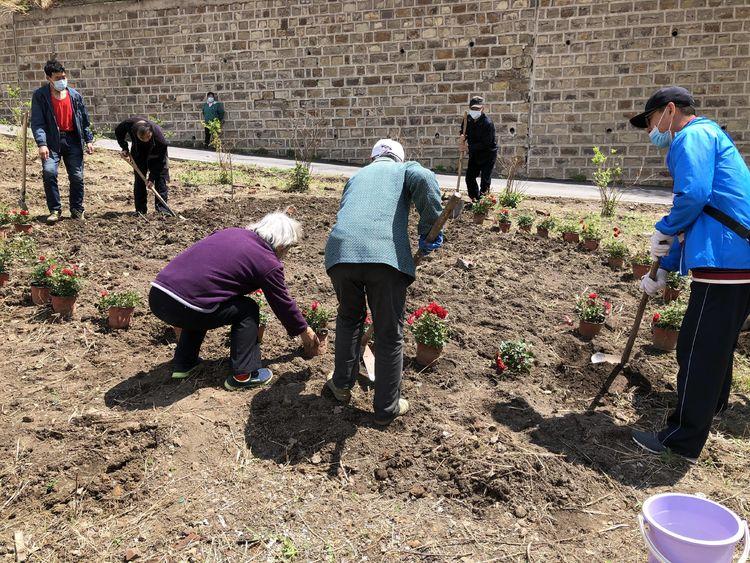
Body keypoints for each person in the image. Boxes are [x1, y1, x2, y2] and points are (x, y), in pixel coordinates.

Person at [628, 86, 750, 462]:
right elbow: (702, 210)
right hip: (736, 257)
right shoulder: (712, 135)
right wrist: (664, 265)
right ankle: (711, 408)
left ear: (669, 110)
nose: (652, 131)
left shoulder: (691, 136)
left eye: (650, 121)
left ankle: (682, 440)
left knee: (696, 348)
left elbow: (693, 198)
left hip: (726, 259)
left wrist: (664, 227)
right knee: (716, 344)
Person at [323, 139, 443, 425]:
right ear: (399, 158)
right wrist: (428, 230)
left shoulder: (356, 176)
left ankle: (341, 385)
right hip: (384, 256)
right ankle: (386, 407)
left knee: (349, 319)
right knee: (389, 333)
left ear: (372, 157)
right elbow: (426, 178)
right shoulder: (404, 170)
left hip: (340, 254)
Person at [148, 212, 320, 390]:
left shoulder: (230, 232)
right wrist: (303, 330)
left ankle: (184, 364)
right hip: (185, 305)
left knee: (205, 300)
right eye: (288, 248)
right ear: (282, 244)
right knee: (247, 308)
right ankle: (244, 374)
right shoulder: (267, 261)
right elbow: (282, 302)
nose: (286, 253)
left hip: (158, 295)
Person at [30, 59, 95, 224]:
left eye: (63, 77)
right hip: (52, 142)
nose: (62, 80)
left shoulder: (74, 96)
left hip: (72, 140)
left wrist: (88, 139)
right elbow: (37, 122)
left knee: (77, 176)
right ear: (49, 78)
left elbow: (84, 120)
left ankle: (76, 209)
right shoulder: (40, 96)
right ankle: (55, 209)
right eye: (58, 77)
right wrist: (42, 144)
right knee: (49, 172)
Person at [115, 117, 170, 215]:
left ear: (151, 132)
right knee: (140, 178)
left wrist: (152, 178)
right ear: (135, 133)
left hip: (156, 153)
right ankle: (140, 210)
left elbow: (160, 163)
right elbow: (118, 131)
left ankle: (162, 210)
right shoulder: (129, 124)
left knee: (160, 177)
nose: (145, 140)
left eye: (148, 137)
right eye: (142, 138)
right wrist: (124, 147)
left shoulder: (160, 140)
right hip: (138, 151)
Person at [459, 96, 498, 201]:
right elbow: (463, 131)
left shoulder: (488, 123)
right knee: (469, 177)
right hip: (474, 154)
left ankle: (483, 202)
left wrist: (467, 148)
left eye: (477, 109)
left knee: (485, 180)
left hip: (488, 154)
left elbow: (486, 143)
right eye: (473, 109)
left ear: (482, 109)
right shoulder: (468, 119)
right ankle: (475, 199)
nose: (475, 111)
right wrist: (462, 137)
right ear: (470, 108)